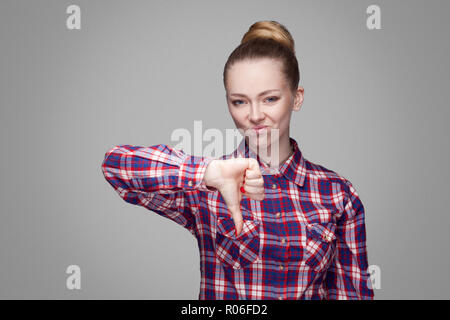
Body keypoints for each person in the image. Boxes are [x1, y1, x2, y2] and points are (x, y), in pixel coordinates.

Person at [101, 20, 374, 300]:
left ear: (296, 98)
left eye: (269, 99)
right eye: (240, 101)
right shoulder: (207, 188)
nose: (255, 115)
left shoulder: (338, 194)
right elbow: (116, 165)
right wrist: (208, 172)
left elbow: (352, 295)